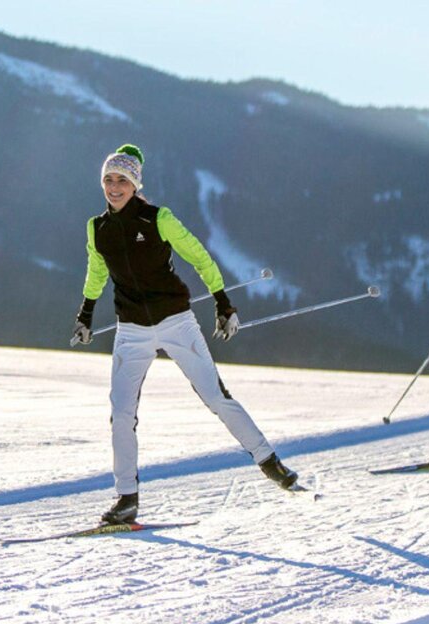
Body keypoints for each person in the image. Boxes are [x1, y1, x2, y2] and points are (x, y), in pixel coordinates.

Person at [73, 144, 298, 524]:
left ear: (135, 184)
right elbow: (97, 271)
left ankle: (269, 462)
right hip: (131, 330)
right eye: (109, 179)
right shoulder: (98, 228)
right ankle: (126, 499)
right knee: (121, 414)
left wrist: (224, 304)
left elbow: (199, 256)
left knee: (215, 397)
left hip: (176, 322)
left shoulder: (158, 219)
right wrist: (85, 315)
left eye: (122, 180)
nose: (114, 187)